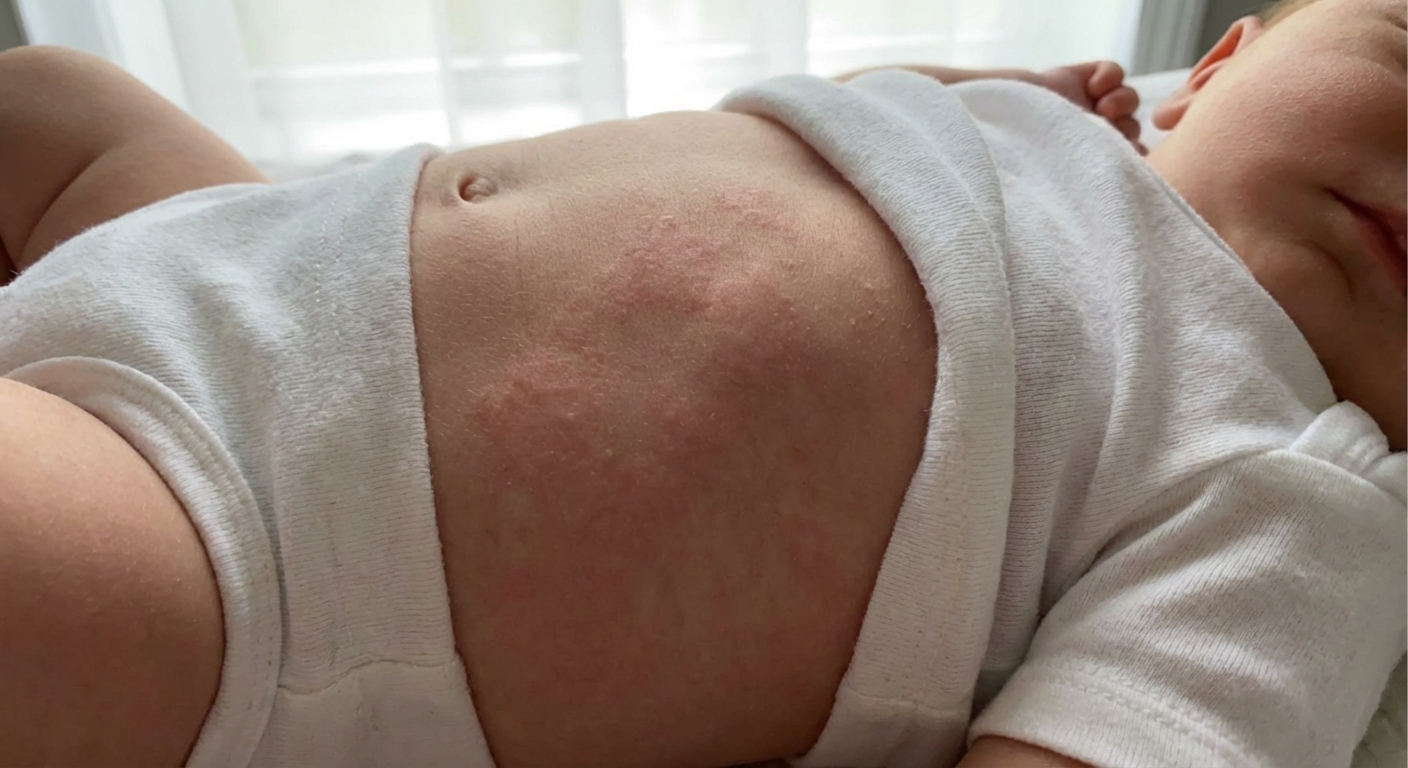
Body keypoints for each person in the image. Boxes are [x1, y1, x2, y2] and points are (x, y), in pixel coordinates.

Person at [0, 0, 1401, 765]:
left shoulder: (1305, 484)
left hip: (255, 542)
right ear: (1216, 65)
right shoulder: (1053, 136)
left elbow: (1159, 732)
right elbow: (837, 134)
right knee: (50, 97)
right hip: (234, 256)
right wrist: (974, 83)